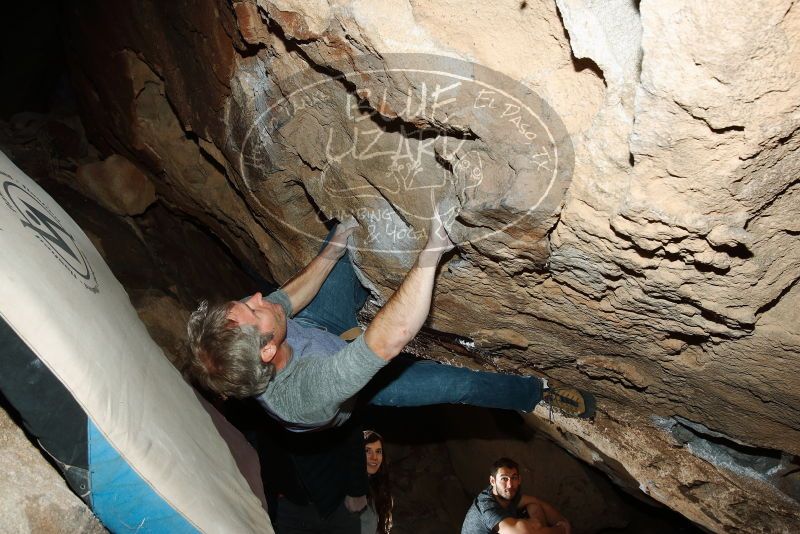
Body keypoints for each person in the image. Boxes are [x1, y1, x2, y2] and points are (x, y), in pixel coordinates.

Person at [185, 215, 595, 434]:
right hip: (354, 390)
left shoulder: (258, 331)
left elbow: (288, 298)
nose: (256, 297)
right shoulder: (303, 396)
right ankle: (534, 394)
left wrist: (338, 240)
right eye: (253, 310)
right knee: (457, 385)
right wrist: (433, 251)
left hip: (314, 327)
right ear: (267, 351)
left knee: (347, 235)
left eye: (244, 302)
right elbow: (387, 341)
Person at [461, 457, 571, 534]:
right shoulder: (486, 506)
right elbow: (522, 532)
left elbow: (536, 501)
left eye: (513, 478)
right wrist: (561, 529)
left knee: (534, 507)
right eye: (504, 478)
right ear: (493, 481)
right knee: (524, 528)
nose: (510, 485)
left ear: (519, 480)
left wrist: (563, 521)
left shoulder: (508, 495)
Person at [361, 430, 393, 534]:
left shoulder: (376, 488)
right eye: (368, 451)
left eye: (378, 451)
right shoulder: (349, 489)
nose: (374, 457)